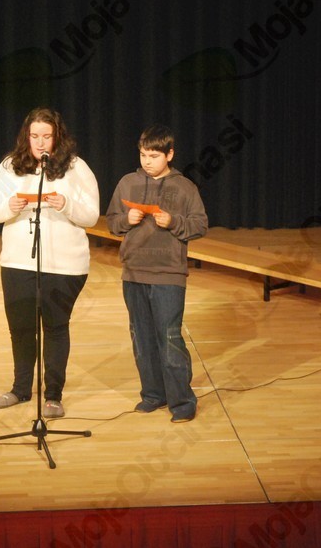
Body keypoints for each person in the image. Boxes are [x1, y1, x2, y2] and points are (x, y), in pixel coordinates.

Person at [0, 108, 99, 418]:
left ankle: (53, 396)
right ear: (27, 137)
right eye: (34, 136)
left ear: (57, 137)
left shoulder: (76, 168)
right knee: (21, 328)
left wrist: (67, 204)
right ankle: (20, 389)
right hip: (18, 262)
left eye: (46, 136)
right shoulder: (9, 167)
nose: (40, 143)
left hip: (64, 266)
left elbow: (91, 216)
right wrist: (10, 206)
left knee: (55, 327)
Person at [106, 125, 208, 423]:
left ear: (169, 154)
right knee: (142, 339)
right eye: (143, 155)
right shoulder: (128, 182)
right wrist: (127, 219)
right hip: (134, 272)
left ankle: (182, 402)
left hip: (168, 274)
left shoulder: (185, 187)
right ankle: (153, 395)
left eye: (154, 156)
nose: (147, 161)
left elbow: (200, 225)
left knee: (169, 338)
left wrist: (174, 221)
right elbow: (112, 222)